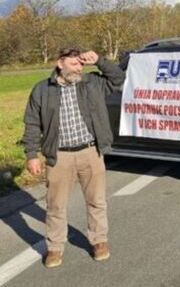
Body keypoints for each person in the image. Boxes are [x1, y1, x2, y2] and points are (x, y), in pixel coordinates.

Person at [21, 47, 126, 268]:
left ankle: (99, 241)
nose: (79, 68)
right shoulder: (42, 89)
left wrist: (99, 60)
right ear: (60, 64)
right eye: (74, 64)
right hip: (59, 156)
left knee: (97, 201)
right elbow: (32, 123)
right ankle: (55, 248)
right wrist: (32, 154)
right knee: (55, 205)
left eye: (81, 63)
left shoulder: (92, 83)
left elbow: (119, 78)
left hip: (90, 152)